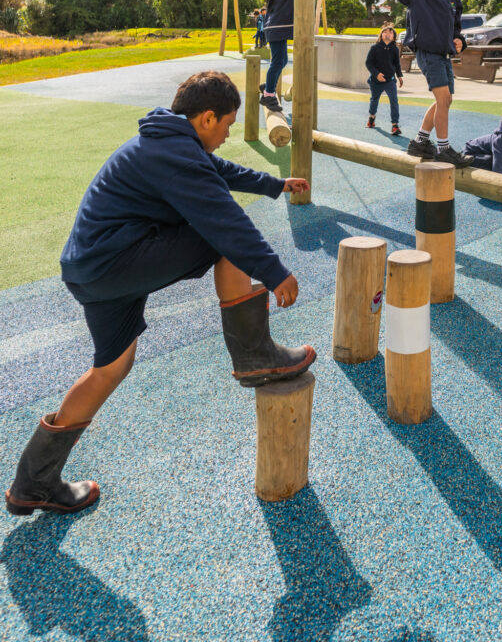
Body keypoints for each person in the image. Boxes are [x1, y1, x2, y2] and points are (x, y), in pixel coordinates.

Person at [4, 71, 315, 517]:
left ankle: (32, 482)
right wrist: (274, 271)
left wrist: (272, 184)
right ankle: (254, 354)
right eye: (227, 124)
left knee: (110, 369)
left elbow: (217, 171)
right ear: (206, 118)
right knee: (223, 235)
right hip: (115, 261)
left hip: (92, 269)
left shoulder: (170, 141)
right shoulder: (175, 152)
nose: (227, 135)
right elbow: (225, 221)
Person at [380, 0, 473, 167]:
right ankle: (444, 148)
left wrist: (459, 40)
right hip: (426, 52)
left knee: (446, 101)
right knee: (444, 99)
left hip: (443, 54)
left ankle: (420, 141)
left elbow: (456, 29)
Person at [261, 0, 293, 113]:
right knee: (279, 61)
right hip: (279, 25)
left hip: (273, 25)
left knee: (282, 60)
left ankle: (268, 86)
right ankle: (268, 94)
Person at [365, 24, 404, 135]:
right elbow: (368, 63)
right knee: (374, 100)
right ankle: (372, 118)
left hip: (390, 80)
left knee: (394, 100)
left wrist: (400, 76)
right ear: (381, 35)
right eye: (385, 32)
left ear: (393, 37)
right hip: (375, 81)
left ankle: (395, 125)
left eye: (391, 33)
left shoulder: (395, 49)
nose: (388, 34)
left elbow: (397, 64)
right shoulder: (374, 48)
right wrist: (377, 74)